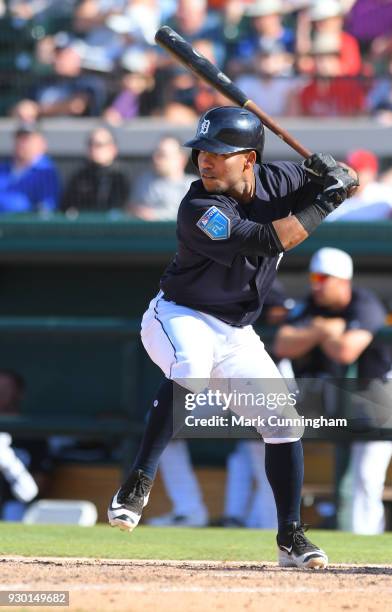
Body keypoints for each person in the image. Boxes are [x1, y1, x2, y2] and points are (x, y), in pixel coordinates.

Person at [107, 106, 358, 569]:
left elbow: (347, 180)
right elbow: (268, 239)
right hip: (180, 316)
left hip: (238, 332)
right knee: (192, 369)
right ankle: (138, 480)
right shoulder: (199, 208)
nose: (205, 160)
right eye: (202, 151)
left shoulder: (280, 179)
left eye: (218, 153)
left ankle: (290, 537)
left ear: (248, 159)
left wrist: (338, 174)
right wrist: (328, 200)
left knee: (285, 424)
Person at [273, 248, 392, 535]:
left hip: (379, 395)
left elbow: (346, 350)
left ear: (342, 280)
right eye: (313, 277)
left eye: (324, 278)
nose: (316, 284)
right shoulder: (311, 305)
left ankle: (367, 543)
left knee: (366, 476)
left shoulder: (364, 302)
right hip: (340, 397)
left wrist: (313, 333)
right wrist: (325, 330)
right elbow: (283, 344)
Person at [0, 370, 51, 520]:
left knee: (14, 509)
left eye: (6, 388)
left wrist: (10, 464)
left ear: (19, 393)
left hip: (16, 510)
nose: (1, 393)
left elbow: (33, 490)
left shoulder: (32, 436)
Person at [61, 126, 130, 213]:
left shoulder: (121, 177)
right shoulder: (79, 176)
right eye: (91, 144)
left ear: (113, 148)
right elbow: (67, 207)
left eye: (99, 145)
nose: (93, 149)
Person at [128, 136, 197, 221]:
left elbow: (196, 215)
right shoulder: (144, 181)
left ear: (181, 159)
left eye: (162, 155)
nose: (156, 159)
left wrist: (155, 215)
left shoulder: (193, 186)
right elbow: (130, 210)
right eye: (155, 154)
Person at [325, 149, 392, 221]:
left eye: (356, 171)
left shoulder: (386, 195)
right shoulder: (333, 195)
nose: (350, 175)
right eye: (347, 171)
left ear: (371, 173)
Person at [0, 123, 61, 213]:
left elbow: (46, 209)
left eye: (27, 139)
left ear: (42, 143)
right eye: (19, 138)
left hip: (20, 225)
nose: (21, 143)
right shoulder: (3, 168)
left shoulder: (45, 173)